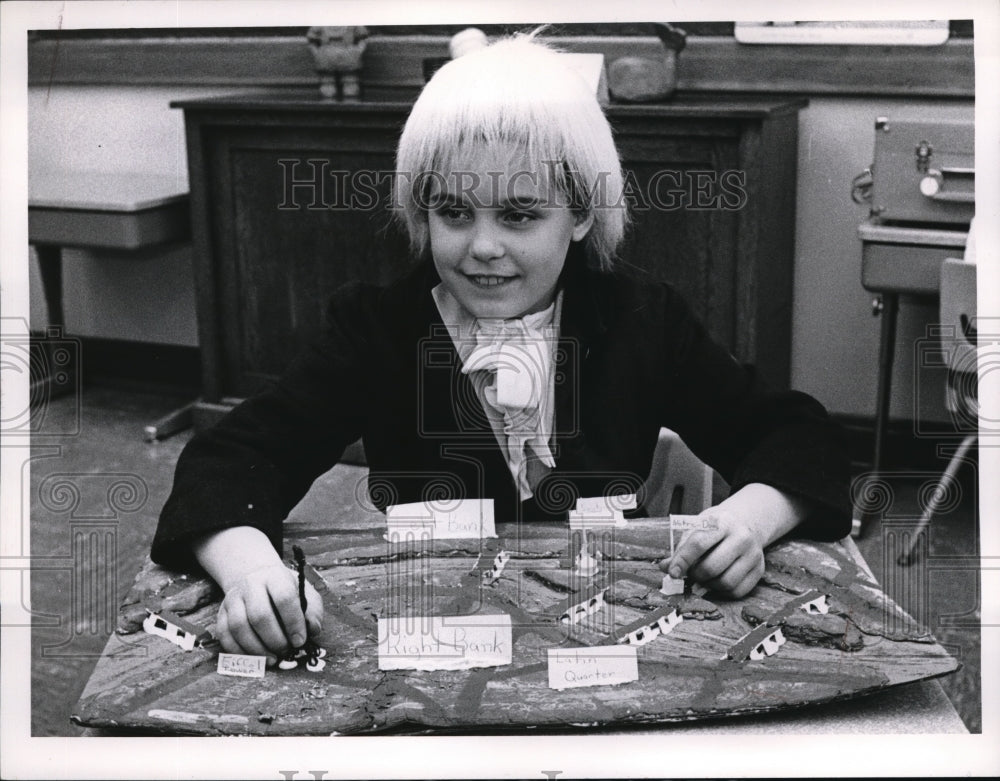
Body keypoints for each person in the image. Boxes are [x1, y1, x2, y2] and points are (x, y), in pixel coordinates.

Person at [151, 34, 851, 665]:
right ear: (421, 209)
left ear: (580, 214)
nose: (483, 247)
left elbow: (796, 435)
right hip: (433, 636)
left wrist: (746, 522)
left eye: (519, 214)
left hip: (605, 637)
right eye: (454, 212)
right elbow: (232, 459)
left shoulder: (643, 317)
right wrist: (250, 574)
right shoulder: (373, 328)